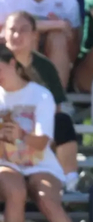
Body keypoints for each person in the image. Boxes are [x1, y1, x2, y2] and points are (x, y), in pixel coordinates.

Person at [0, 44, 93, 222]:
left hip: (40, 162)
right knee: (15, 191)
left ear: (12, 64)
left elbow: (42, 143)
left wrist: (20, 134)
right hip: (6, 163)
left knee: (47, 199)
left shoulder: (40, 94)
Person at [3, 12, 80, 192]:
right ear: (4, 33)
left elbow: (56, 106)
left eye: (24, 30)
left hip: (35, 127)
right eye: (12, 30)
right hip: (4, 125)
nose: (17, 35)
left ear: (34, 35)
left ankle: (70, 178)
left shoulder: (44, 67)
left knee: (62, 120)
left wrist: (36, 129)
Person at [0, 0, 80, 88]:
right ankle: (25, 91)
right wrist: (56, 24)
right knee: (28, 37)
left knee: (58, 38)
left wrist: (62, 31)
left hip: (56, 53)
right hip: (12, 57)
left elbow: (74, 46)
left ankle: (57, 96)